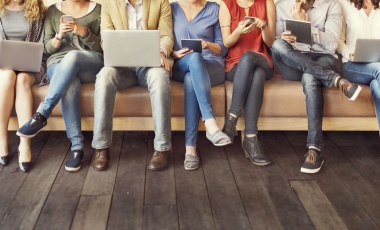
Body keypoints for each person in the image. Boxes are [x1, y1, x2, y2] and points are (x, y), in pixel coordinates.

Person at [271, 0, 362, 173]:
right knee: (277, 45)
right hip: (293, 61)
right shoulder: (281, 5)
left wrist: (306, 25)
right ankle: (335, 79)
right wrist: (283, 37)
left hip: (322, 58)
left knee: (310, 77)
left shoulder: (332, 5)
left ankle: (314, 149)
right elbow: (276, 40)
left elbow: (332, 44)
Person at [17, 0, 103, 172]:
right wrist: (59, 36)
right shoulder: (52, 12)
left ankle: (42, 114)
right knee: (70, 82)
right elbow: (48, 49)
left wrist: (83, 31)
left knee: (72, 56)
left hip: (89, 62)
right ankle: (77, 148)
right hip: (58, 65)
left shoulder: (98, 10)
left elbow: (102, 47)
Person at [90, 0, 173, 171]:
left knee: (160, 76)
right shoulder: (109, 3)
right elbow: (106, 39)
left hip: (149, 65)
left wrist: (161, 51)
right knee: (105, 76)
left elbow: (166, 36)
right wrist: (119, 52)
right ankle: (101, 147)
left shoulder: (161, 2)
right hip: (122, 66)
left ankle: (161, 148)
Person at [171, 0, 230, 170]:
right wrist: (174, 53)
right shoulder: (171, 9)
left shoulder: (214, 9)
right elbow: (164, 40)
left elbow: (223, 48)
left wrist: (207, 45)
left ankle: (190, 150)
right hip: (182, 64)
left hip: (211, 65)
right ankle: (211, 124)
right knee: (194, 59)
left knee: (192, 78)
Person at [219, 0, 275, 166]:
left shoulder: (267, 3)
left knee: (250, 57)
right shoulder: (226, 4)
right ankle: (251, 139)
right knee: (256, 74)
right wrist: (238, 30)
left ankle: (232, 117)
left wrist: (264, 26)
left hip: (262, 60)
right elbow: (226, 42)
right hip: (235, 66)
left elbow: (271, 42)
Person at [0, 0, 46, 172]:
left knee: (21, 80)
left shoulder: (38, 9)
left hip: (31, 67)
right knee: (8, 75)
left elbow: (42, 46)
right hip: (3, 68)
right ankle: (2, 139)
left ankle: (24, 143)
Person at [337, 0, 380, 135]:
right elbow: (338, 41)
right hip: (353, 65)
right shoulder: (344, 5)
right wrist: (349, 53)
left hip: (377, 67)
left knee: (376, 85)